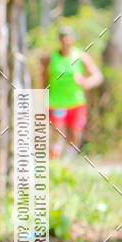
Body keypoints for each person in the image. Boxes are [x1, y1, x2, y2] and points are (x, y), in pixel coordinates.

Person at [42, 25, 103, 159]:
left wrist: (86, 82)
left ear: (73, 38)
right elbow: (44, 80)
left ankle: (68, 161)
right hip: (57, 101)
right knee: (58, 132)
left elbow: (97, 76)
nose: (66, 40)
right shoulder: (51, 58)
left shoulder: (81, 56)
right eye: (63, 37)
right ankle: (54, 162)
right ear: (59, 39)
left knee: (75, 133)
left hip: (76, 101)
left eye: (68, 37)